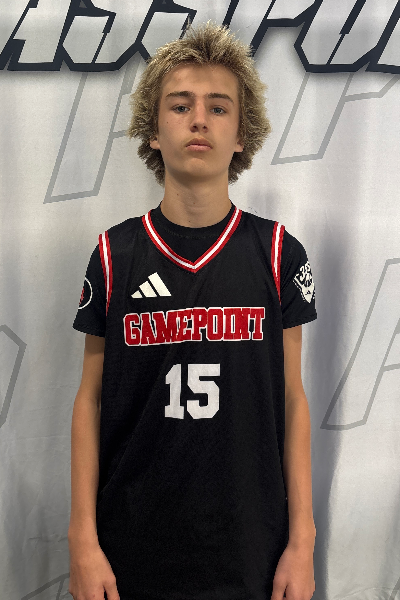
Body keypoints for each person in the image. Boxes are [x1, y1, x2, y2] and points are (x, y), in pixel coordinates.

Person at [68, 20, 317, 600]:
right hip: (130, 546)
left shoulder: (278, 252)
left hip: (252, 547)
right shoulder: (114, 253)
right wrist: (82, 538)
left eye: (218, 107)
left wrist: (302, 540)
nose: (199, 119)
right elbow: (89, 400)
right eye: (180, 106)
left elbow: (292, 399)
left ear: (241, 135)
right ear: (153, 131)